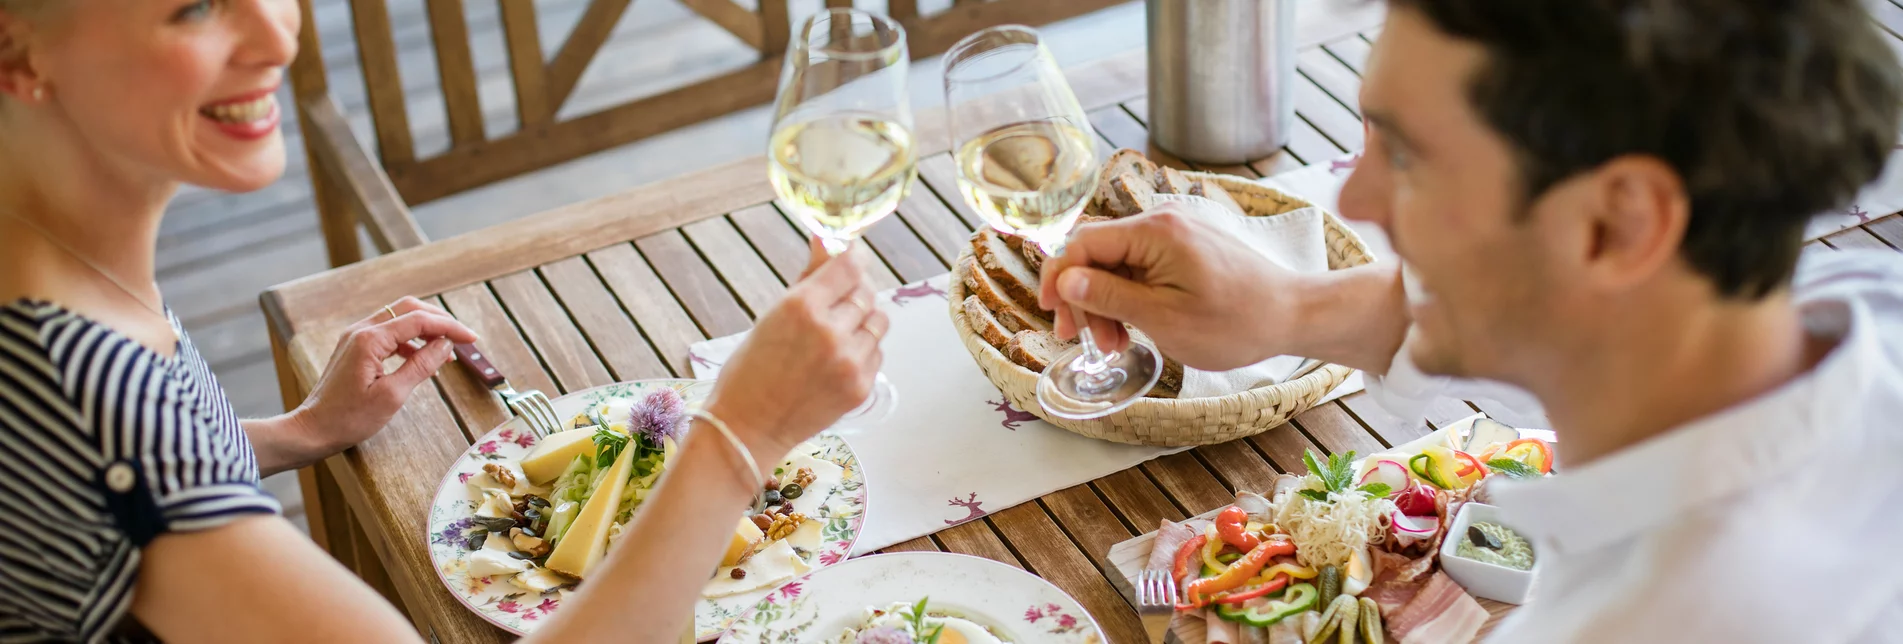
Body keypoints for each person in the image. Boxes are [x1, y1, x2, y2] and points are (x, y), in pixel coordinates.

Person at [0, 0, 886, 641]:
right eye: (194, 8)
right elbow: (107, 447)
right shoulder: (84, 395)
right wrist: (741, 434)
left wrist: (297, 433)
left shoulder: (52, 264)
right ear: (18, 49)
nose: (279, 33)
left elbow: (110, 490)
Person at [1042, 0, 1903, 641]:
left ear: (1621, 224)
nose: (1353, 196)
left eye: (1408, 154)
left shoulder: (1663, 616)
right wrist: (1282, 307)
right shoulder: (1864, 306)